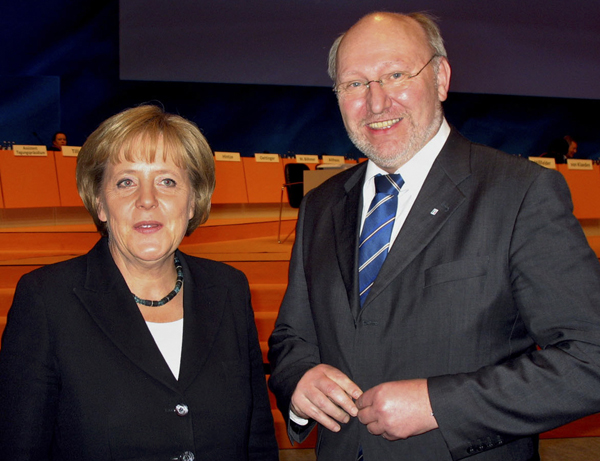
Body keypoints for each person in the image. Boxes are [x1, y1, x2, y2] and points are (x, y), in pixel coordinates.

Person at [268, 11, 600, 461]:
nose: (377, 102)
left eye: (396, 74)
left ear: (440, 78)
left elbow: (590, 357)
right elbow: (292, 338)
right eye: (354, 84)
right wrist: (300, 379)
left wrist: (441, 405)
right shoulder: (321, 206)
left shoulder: (519, 193)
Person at [0, 105, 279, 460]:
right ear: (100, 203)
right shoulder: (46, 300)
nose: (147, 200)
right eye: (126, 181)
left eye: (167, 181)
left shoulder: (229, 289)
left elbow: (256, 441)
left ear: (193, 201)